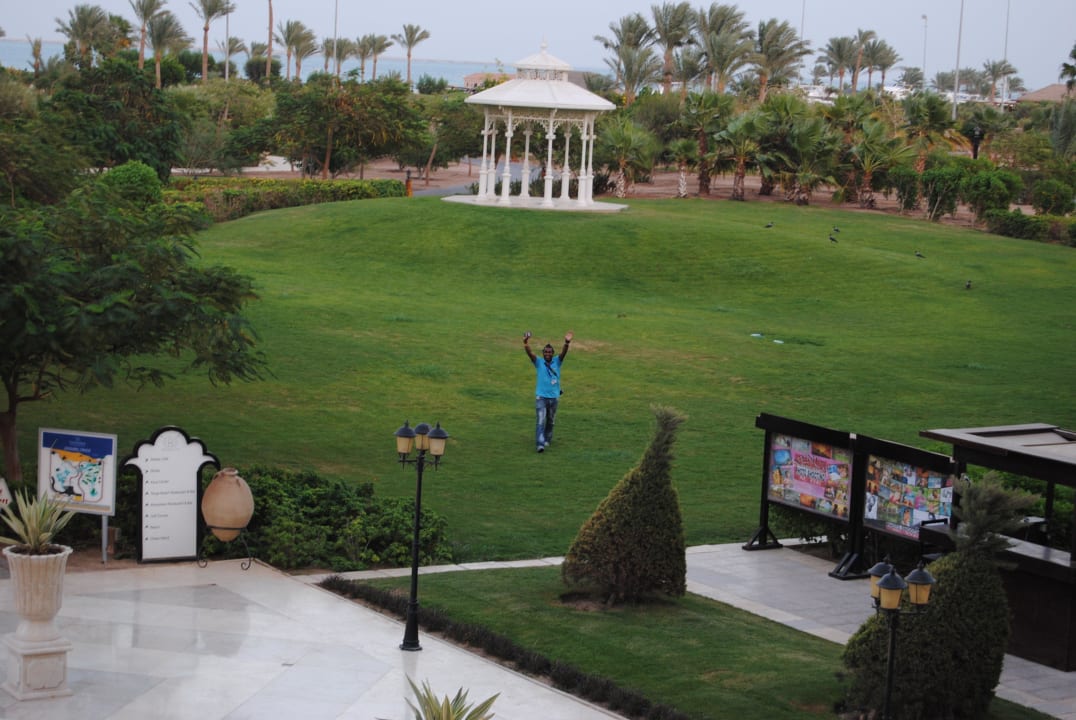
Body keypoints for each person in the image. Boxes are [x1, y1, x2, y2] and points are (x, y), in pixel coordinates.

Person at [523, 330, 572, 453]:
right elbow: (530, 353)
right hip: (541, 397)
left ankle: (547, 439)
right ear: (543, 353)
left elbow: (563, 353)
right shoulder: (539, 362)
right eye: (546, 352)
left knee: (551, 420)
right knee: (540, 420)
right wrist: (525, 343)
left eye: (550, 352)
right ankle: (540, 444)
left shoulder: (557, 361)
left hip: (554, 397)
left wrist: (566, 342)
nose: (548, 354)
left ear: (552, 353)